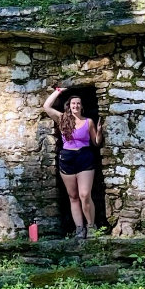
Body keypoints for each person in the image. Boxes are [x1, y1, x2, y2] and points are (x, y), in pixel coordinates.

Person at [42, 86, 101, 238]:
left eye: (78, 103)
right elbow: (46, 107)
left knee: (84, 194)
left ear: (82, 106)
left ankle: (91, 226)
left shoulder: (88, 122)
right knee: (73, 196)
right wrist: (58, 91)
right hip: (67, 159)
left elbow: (96, 143)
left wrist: (99, 134)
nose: (76, 106)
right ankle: (79, 229)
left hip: (84, 157)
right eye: (73, 103)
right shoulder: (63, 119)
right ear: (69, 106)